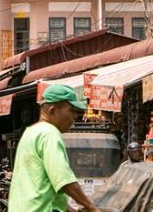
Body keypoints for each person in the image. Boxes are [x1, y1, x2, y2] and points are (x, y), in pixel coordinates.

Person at [8, 84, 100, 212]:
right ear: (52, 110)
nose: (75, 116)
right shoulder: (49, 133)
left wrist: (70, 209)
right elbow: (64, 181)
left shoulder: (31, 132)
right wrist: (92, 207)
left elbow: (43, 186)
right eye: (71, 110)